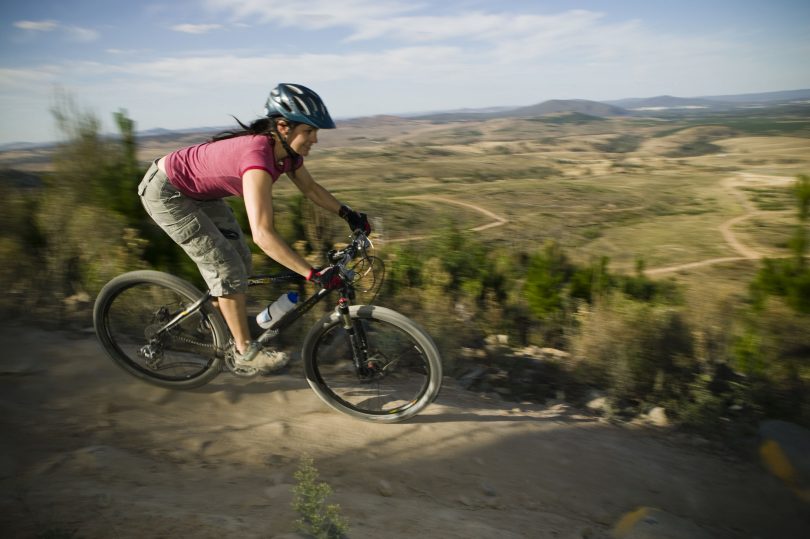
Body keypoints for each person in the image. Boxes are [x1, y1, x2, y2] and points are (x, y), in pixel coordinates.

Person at [137, 83, 371, 372]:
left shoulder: (286, 154)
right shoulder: (258, 159)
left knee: (240, 263)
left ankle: (219, 320)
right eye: (309, 131)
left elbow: (310, 188)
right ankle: (244, 352)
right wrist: (312, 273)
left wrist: (348, 214)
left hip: (198, 194)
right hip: (166, 193)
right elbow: (263, 234)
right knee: (227, 269)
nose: (315, 139)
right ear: (283, 127)